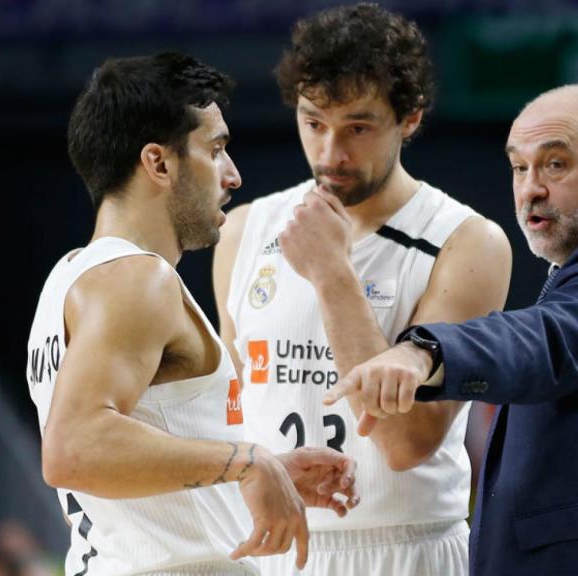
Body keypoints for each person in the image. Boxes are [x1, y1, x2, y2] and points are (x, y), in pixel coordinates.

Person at [326, 84, 578, 575]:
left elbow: (549, 338)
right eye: (520, 167)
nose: (530, 189)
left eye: (555, 164)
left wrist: (424, 353)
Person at [26, 52, 358, 576]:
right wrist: (248, 462)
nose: (233, 175)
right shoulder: (138, 279)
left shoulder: (70, 277)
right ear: (158, 162)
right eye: (216, 149)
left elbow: (123, 466)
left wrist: (245, 475)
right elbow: (73, 449)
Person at [212, 4, 511, 575]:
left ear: (410, 119)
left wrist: (332, 275)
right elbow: (227, 415)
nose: (330, 154)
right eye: (313, 122)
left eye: (357, 127)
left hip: (407, 549)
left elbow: (406, 443)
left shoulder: (467, 243)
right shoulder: (245, 230)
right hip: (276, 544)